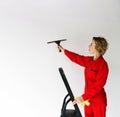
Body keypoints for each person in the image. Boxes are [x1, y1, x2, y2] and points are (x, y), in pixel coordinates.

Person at [57, 37, 109, 117]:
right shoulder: (89, 61)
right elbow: (77, 58)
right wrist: (64, 50)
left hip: (98, 101)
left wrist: (83, 97)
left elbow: (99, 85)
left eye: (91, 44)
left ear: (97, 47)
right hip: (87, 100)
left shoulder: (103, 65)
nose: (89, 46)